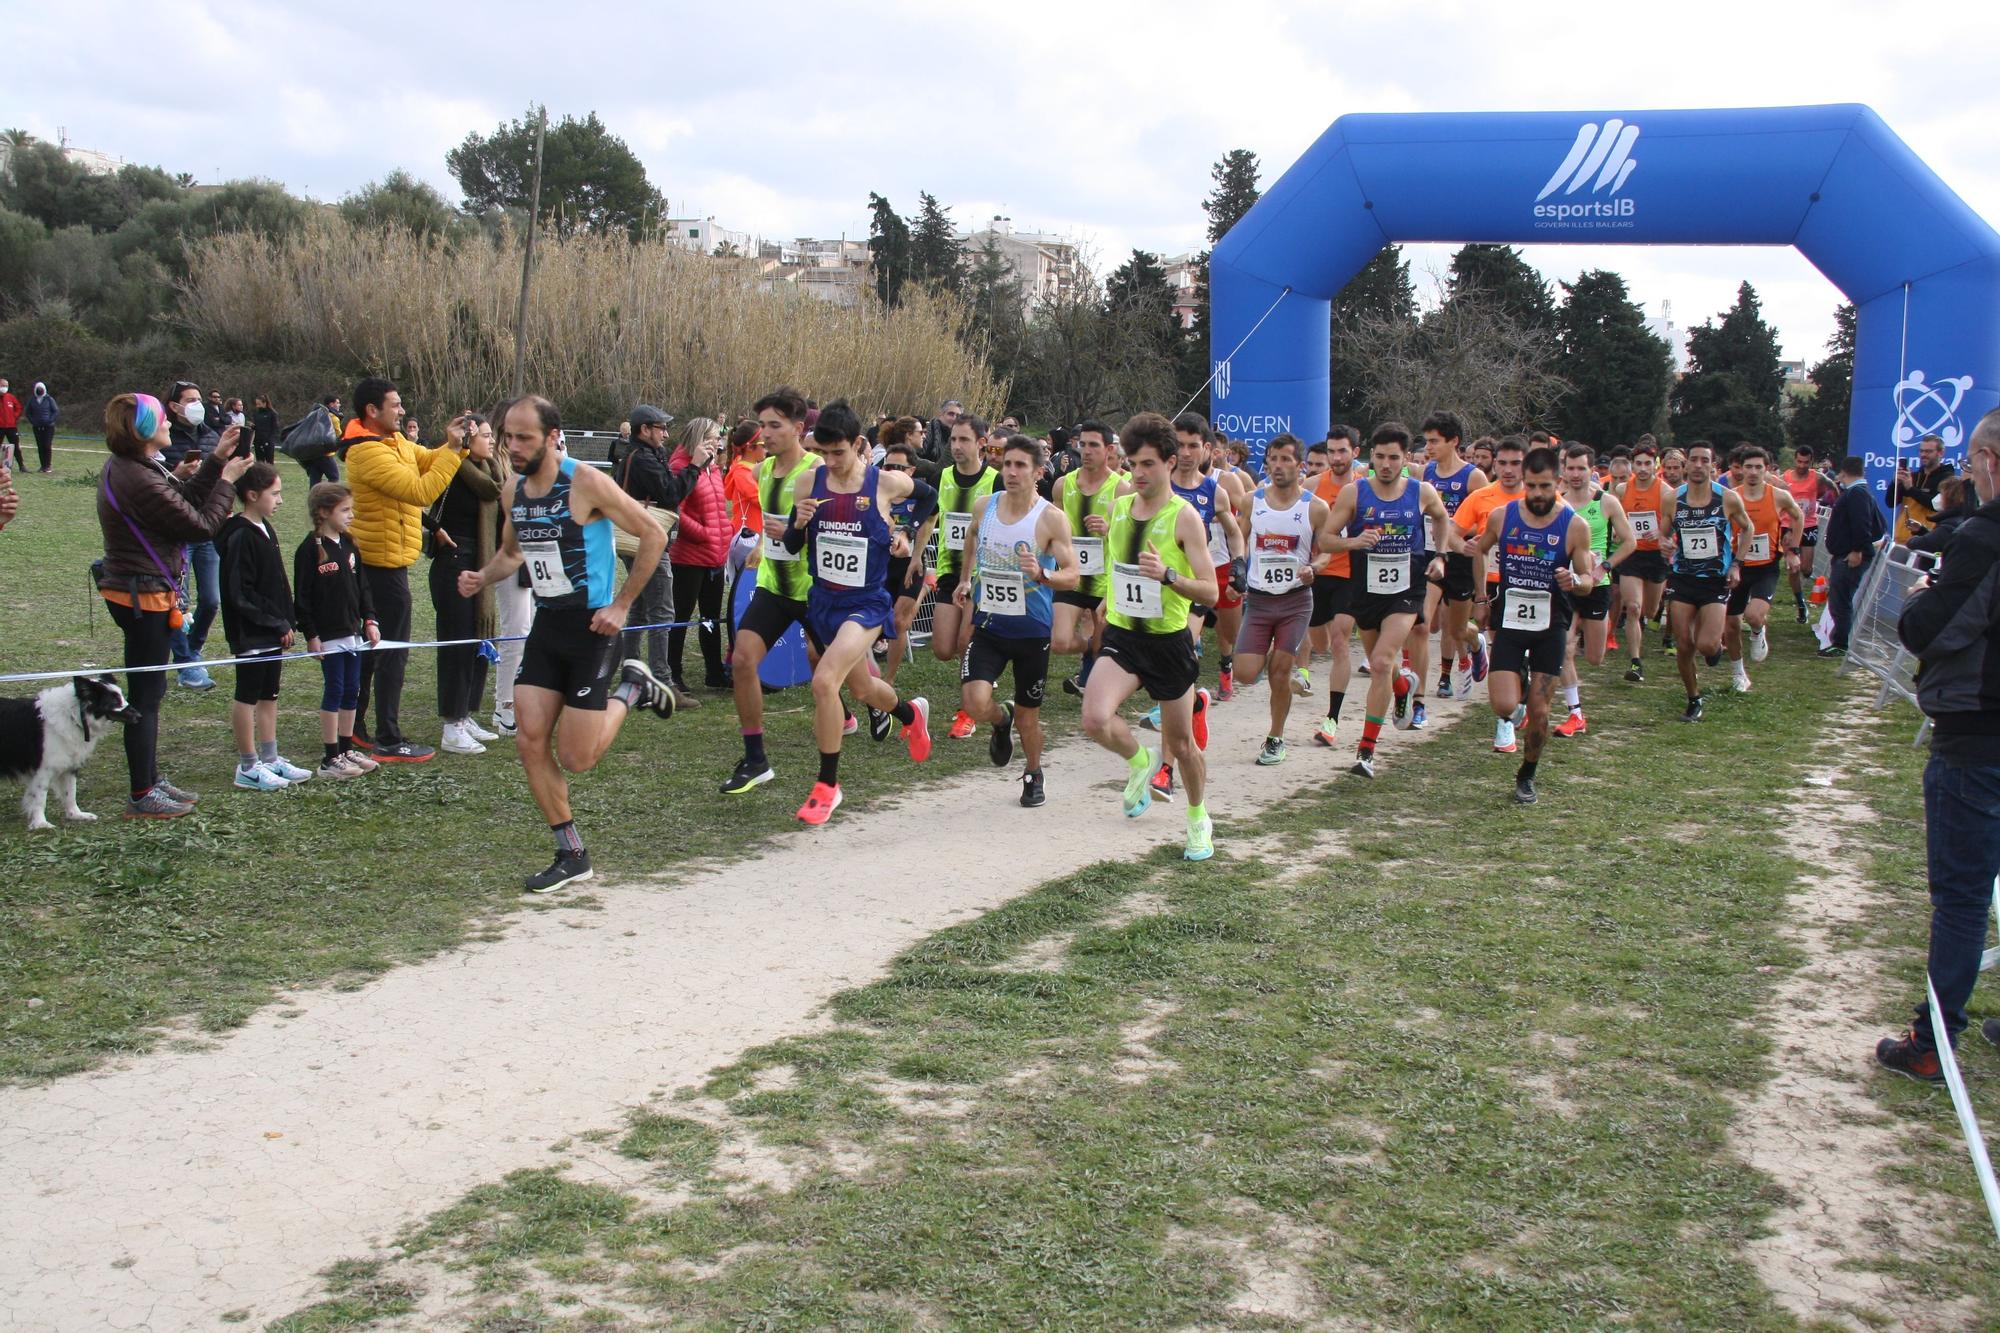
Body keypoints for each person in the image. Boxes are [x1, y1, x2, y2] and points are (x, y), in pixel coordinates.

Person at [457, 395, 677, 892]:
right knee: (528, 739)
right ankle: (571, 851)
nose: (512, 447)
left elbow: (653, 536)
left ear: (554, 436)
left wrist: (621, 606)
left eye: (523, 438)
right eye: (508, 436)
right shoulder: (514, 489)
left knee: (578, 758)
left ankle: (632, 690)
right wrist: (481, 577)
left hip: (592, 631)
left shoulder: (585, 482)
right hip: (548, 626)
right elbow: (513, 554)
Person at [1875, 408, 2000, 1081]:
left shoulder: (1983, 535)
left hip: (1978, 732)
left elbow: (1930, 626)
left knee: (1962, 894)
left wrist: (1925, 594)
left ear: (1990, 461)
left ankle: (1933, 1040)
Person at [94, 392, 252, 818]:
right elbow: (199, 525)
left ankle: (150, 777)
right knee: (145, 695)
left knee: (152, 691)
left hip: (143, 591)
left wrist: (218, 461)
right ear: (144, 430)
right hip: (141, 596)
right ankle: (142, 793)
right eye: (163, 418)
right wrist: (228, 482)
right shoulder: (136, 476)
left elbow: (181, 498)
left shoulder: (138, 470)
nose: (171, 421)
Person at [1078, 412, 1221, 862]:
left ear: (1169, 463)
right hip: (1124, 636)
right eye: (1132, 464)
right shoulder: (1120, 507)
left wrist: (1168, 575)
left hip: (1168, 643)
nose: (1137, 474)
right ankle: (1140, 763)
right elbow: (1118, 566)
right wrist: (1107, 599)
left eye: (1147, 465)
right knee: (1094, 719)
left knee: (1181, 745)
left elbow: (1211, 591)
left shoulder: (1185, 519)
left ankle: (1198, 817)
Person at [785, 403, 933, 824]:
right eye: (822, 452)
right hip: (824, 603)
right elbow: (795, 547)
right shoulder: (807, 484)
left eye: (838, 453)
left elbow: (930, 498)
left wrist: (903, 531)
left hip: (866, 604)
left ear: (857, 445)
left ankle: (827, 786)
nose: (829, 462)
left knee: (823, 681)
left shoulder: (884, 483)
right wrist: (799, 523)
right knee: (864, 689)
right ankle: (910, 713)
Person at [1317, 422, 1456, 777]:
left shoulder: (1421, 491)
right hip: (1366, 590)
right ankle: (1402, 684)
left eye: (1394, 457)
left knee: (1379, 661)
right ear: (1371, 457)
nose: (1386, 464)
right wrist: (1354, 542)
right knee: (1386, 666)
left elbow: (1442, 519)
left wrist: (1441, 556)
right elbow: (1327, 539)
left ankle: (1366, 751)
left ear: (1406, 458)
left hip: (1407, 590)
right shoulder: (1355, 493)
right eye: (1379, 457)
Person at [344, 375, 466, 761]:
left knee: (372, 650)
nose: (402, 411)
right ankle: (389, 738)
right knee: (392, 651)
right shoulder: (366, 452)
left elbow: (426, 460)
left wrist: (451, 445)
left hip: (389, 559)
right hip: (380, 565)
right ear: (372, 411)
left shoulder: (393, 442)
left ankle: (356, 727)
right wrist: (454, 453)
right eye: (395, 405)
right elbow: (420, 491)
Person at [954, 434, 1081, 806]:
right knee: (974, 701)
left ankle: (1033, 772)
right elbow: (972, 539)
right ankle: (998, 720)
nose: (1010, 471)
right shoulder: (985, 506)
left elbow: (1072, 575)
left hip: (1032, 632)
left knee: (1030, 718)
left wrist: (1043, 575)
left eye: (1020, 465)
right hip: (990, 625)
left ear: (1039, 472)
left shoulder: (1051, 519)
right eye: (1006, 463)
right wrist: (965, 578)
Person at [1469, 446, 1595, 803]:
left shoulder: (1574, 526)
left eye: (1544, 486)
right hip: (1509, 620)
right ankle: (1515, 677)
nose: (1538, 494)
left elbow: (1588, 577)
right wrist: (1481, 598)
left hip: (1551, 625)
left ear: (1557, 482)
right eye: (1531, 486)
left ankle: (1527, 774)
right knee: (1504, 707)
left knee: (1540, 713)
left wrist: (1576, 582)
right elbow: (1479, 550)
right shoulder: (1502, 517)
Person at [722, 387, 823, 794]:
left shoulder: (819, 470)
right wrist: (765, 545)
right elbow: (770, 522)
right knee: (743, 661)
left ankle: (903, 712)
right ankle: (756, 758)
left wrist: (801, 530)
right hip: (773, 587)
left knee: (847, 677)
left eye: (774, 425)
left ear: (799, 428)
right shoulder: (762, 471)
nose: (765, 433)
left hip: (814, 590)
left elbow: (834, 531)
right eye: (762, 425)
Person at [216, 462, 315, 791]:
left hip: (273, 631)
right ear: (252, 495)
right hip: (251, 633)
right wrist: (273, 622)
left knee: (269, 695)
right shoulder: (240, 535)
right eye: (275, 494)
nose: (280, 501)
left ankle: (270, 758)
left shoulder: (265, 529)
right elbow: (239, 593)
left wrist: (287, 621)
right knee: (248, 695)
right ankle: (247, 765)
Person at [1229, 434, 1326, 764]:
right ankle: (1272, 650)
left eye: (1286, 460)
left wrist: (1314, 567)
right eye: (1273, 459)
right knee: (1243, 673)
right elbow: (1239, 538)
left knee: (1280, 673)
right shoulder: (1251, 500)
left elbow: (1327, 552)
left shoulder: (1315, 507)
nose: (1279, 466)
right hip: (1258, 600)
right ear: (1266, 463)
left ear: (1300, 466)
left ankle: (1275, 738)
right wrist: (1239, 565)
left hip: (1295, 602)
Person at [426, 412, 505, 755]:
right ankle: (452, 723)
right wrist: (434, 528)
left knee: (479, 640)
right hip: (455, 562)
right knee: (457, 642)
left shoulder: (490, 474)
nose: (491, 441)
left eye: (491, 435)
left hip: (481, 562)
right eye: (485, 435)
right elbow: (412, 498)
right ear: (468, 438)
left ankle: (467, 713)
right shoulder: (451, 469)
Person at [294, 481, 382, 779]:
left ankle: (346, 749)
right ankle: (330, 757)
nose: (351, 515)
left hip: (353, 633)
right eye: (344, 510)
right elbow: (302, 597)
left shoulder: (349, 544)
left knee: (352, 690)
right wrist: (311, 634)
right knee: (335, 689)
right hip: (328, 637)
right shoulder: (309, 549)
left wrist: (369, 619)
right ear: (323, 512)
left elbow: (364, 588)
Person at [1660, 443, 1751, 722]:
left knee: (1706, 645)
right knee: (1684, 643)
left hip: (1715, 580)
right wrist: (1664, 545)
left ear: (1713, 466)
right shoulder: (1673, 499)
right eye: (1694, 460)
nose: (1698, 465)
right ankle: (1693, 698)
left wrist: (1737, 563)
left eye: (1705, 461)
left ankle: (1717, 649)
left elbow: (1748, 528)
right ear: (1687, 465)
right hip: (1683, 578)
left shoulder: (1727, 498)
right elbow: (1663, 535)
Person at [1552, 444, 1635, 738]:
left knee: (1595, 659)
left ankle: (1599, 631)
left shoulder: (1607, 502)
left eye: (1581, 469)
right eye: (1570, 468)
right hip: (1564, 585)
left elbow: (1629, 542)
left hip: (1596, 586)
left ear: (1592, 471)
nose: (1575, 474)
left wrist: (1605, 567)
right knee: (1564, 650)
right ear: (1563, 470)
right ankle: (1575, 714)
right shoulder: (1556, 502)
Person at [613, 405, 686, 707]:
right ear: (645, 430)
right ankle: (661, 682)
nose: (666, 434)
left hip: (638, 539)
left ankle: (632, 678)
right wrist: (693, 468)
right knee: (661, 612)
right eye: (661, 428)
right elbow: (671, 493)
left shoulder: (639, 455)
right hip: (648, 541)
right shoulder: (642, 459)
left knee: (640, 609)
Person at [931, 414, 998, 738]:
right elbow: (932, 516)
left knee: (964, 642)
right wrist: (918, 557)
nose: (956, 446)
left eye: (963, 440)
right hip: (949, 571)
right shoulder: (942, 476)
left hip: (983, 577)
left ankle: (967, 712)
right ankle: (986, 673)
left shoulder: (995, 481)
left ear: (981, 444)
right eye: (953, 440)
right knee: (943, 648)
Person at [1721, 446, 1805, 693]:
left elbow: (1797, 516)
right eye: (1748, 467)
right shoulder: (1731, 496)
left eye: (1759, 467)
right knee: (1731, 624)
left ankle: (1758, 631)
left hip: (1766, 567)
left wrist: (1793, 550)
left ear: (1767, 470)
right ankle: (1739, 673)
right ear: (1740, 469)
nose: (1753, 472)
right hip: (1737, 566)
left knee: (1753, 615)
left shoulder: (1778, 496)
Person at [1418, 410, 1488, 706]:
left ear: (1454, 441)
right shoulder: (1428, 473)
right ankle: (1430, 684)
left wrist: (1453, 526)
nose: (1428, 448)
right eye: (1426, 442)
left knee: (1456, 628)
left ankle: (1475, 642)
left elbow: (1487, 519)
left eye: (1434, 441)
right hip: (1432, 555)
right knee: (1423, 621)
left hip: (1460, 558)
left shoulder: (1473, 476)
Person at [1052, 419, 1124, 697]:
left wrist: (1109, 529)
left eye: (1094, 445)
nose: (1088, 450)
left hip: (1104, 580)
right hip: (1072, 576)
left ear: (1108, 450)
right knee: (1059, 643)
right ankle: (1088, 650)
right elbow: (1054, 526)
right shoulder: (1062, 485)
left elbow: (1132, 536)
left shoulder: (1121, 489)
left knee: (1102, 644)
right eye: (1083, 445)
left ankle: (1097, 685)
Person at [161, 381, 225, 691]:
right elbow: (157, 483)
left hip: (209, 529)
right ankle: (186, 664)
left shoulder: (211, 435)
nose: (197, 404)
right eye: (190, 400)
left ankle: (193, 647)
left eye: (200, 399)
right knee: (176, 603)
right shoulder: (163, 437)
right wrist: (178, 473)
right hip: (178, 531)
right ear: (174, 406)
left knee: (211, 600)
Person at [668, 417, 731, 697]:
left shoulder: (713, 470)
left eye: (719, 438)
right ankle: (673, 671)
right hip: (689, 556)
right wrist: (704, 533)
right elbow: (675, 511)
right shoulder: (681, 467)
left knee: (711, 616)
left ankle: (714, 672)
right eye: (714, 437)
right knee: (680, 615)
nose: (719, 443)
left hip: (715, 555)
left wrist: (724, 531)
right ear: (699, 438)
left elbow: (718, 507)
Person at [1309, 426, 1363, 745]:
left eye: (1342, 451)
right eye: (1331, 451)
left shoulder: (1364, 488)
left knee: (1341, 640)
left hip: (1350, 574)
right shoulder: (1313, 486)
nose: (1336, 457)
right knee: (1321, 644)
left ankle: (1331, 719)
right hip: (1318, 572)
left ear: (1356, 452)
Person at [878, 435, 938, 696]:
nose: (891, 472)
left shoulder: (921, 496)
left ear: (911, 472)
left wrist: (917, 558)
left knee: (900, 621)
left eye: (898, 468)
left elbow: (929, 525)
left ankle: (889, 680)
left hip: (910, 566)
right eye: (887, 466)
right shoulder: (879, 493)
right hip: (881, 565)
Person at [1613, 441, 1670, 683]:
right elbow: (1614, 516)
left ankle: (1649, 620)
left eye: (1648, 463)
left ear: (1655, 465)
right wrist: (1618, 530)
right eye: (1639, 464)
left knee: (1649, 610)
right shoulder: (1622, 490)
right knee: (1633, 608)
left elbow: (1674, 523)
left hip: (1656, 556)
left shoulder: (1666, 491)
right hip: (1632, 553)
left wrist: (1661, 535)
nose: (1643, 468)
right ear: (1632, 465)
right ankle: (1636, 662)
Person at [1820, 454, 1887, 658]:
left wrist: (1857, 550)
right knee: (1839, 597)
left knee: (1841, 599)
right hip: (1847, 553)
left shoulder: (1856, 494)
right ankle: (1838, 638)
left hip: (1851, 555)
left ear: (1843, 472)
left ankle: (1841, 643)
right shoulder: (1859, 493)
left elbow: (1861, 524)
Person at [1781, 445, 1840, 620]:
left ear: (1811, 462)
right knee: (1793, 569)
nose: (1802, 465)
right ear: (1795, 460)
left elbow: (1833, 487)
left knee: (1806, 568)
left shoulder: (1818, 478)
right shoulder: (1785, 478)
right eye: (1799, 461)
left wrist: (1837, 506)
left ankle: (1806, 575)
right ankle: (1801, 604)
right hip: (1788, 525)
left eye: (1806, 462)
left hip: (1808, 525)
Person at [1896, 432, 1956, 536]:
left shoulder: (1947, 478)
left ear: (1940, 453)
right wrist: (1895, 483)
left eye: (1928, 451)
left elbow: (1936, 505)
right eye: (1921, 451)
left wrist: (1911, 489)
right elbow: (1890, 502)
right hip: (1902, 539)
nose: (1923, 455)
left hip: (1927, 540)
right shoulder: (1913, 477)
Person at [24, 382, 58, 473]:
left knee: (47, 445)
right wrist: (33, 421)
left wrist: (50, 420)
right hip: (37, 427)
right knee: (40, 446)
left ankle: (48, 466)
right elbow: (27, 412)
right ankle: (42, 466)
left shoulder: (49, 399)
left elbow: (55, 411)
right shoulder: (32, 400)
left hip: (48, 427)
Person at [0, 377, 20, 473]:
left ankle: (22, 466)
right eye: (2, 385)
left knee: (15, 446)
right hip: (0, 427)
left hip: (11, 427)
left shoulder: (11, 397)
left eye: (6, 386)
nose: (4, 387)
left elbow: (18, 408)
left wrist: (13, 417)